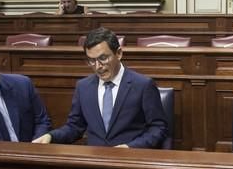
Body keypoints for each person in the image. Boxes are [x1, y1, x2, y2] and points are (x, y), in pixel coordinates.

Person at [32, 27, 167, 148]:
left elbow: (157, 128)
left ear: (119, 53)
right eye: (92, 60)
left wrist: (130, 147)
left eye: (103, 58)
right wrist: (51, 136)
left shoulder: (143, 85)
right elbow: (75, 127)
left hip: (130, 163)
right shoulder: (83, 87)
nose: (97, 66)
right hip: (95, 164)